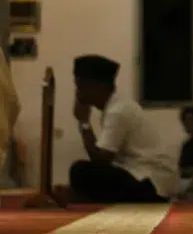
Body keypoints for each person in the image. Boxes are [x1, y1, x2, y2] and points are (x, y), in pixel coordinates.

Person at [66, 55, 179, 203]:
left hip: (152, 183)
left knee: (80, 171)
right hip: (142, 176)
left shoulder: (118, 111)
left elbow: (101, 161)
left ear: (99, 86)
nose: (78, 94)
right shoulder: (115, 107)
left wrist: (83, 122)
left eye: (81, 86)